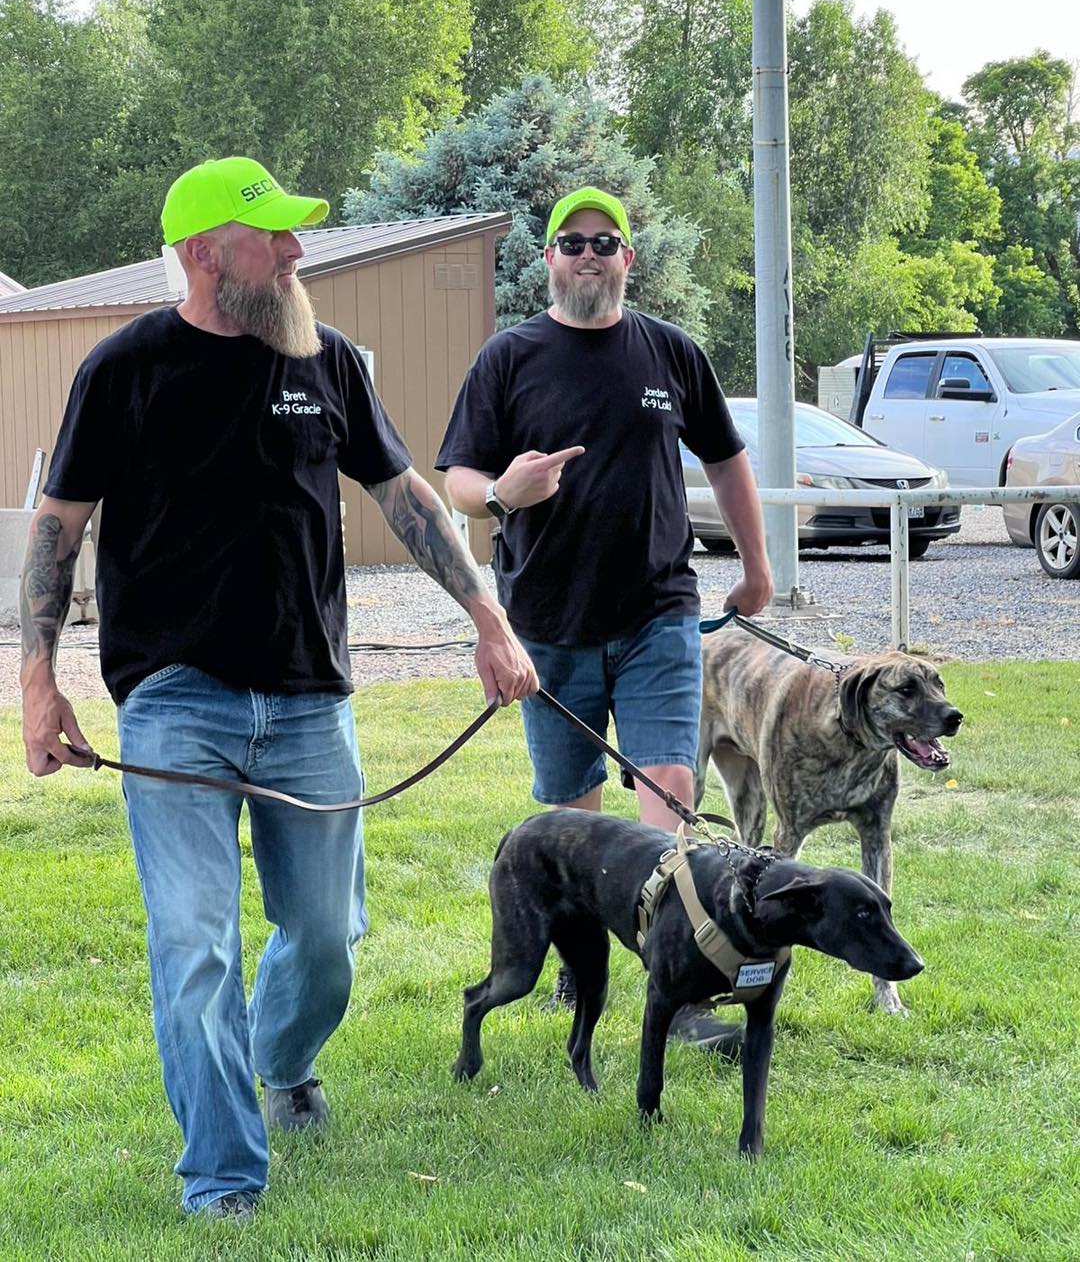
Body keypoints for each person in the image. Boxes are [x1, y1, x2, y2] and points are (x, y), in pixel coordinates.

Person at [19, 156, 537, 1221]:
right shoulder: (125, 368)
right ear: (208, 254)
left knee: (326, 936)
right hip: (174, 705)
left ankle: (284, 1056)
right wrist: (38, 680)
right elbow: (57, 526)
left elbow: (406, 497)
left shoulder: (328, 361)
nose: (299, 252)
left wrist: (489, 619)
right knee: (195, 944)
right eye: (277, 236)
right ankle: (223, 1180)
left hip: (310, 702)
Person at [435, 186, 774, 1049]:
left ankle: (685, 981)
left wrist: (759, 567)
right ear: (548, 258)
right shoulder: (509, 358)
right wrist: (506, 493)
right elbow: (459, 484)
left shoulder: (669, 352)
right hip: (547, 625)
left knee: (670, 792)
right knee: (574, 815)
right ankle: (577, 966)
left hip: (659, 613)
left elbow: (728, 460)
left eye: (606, 242)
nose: (590, 255)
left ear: (629, 257)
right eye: (573, 242)